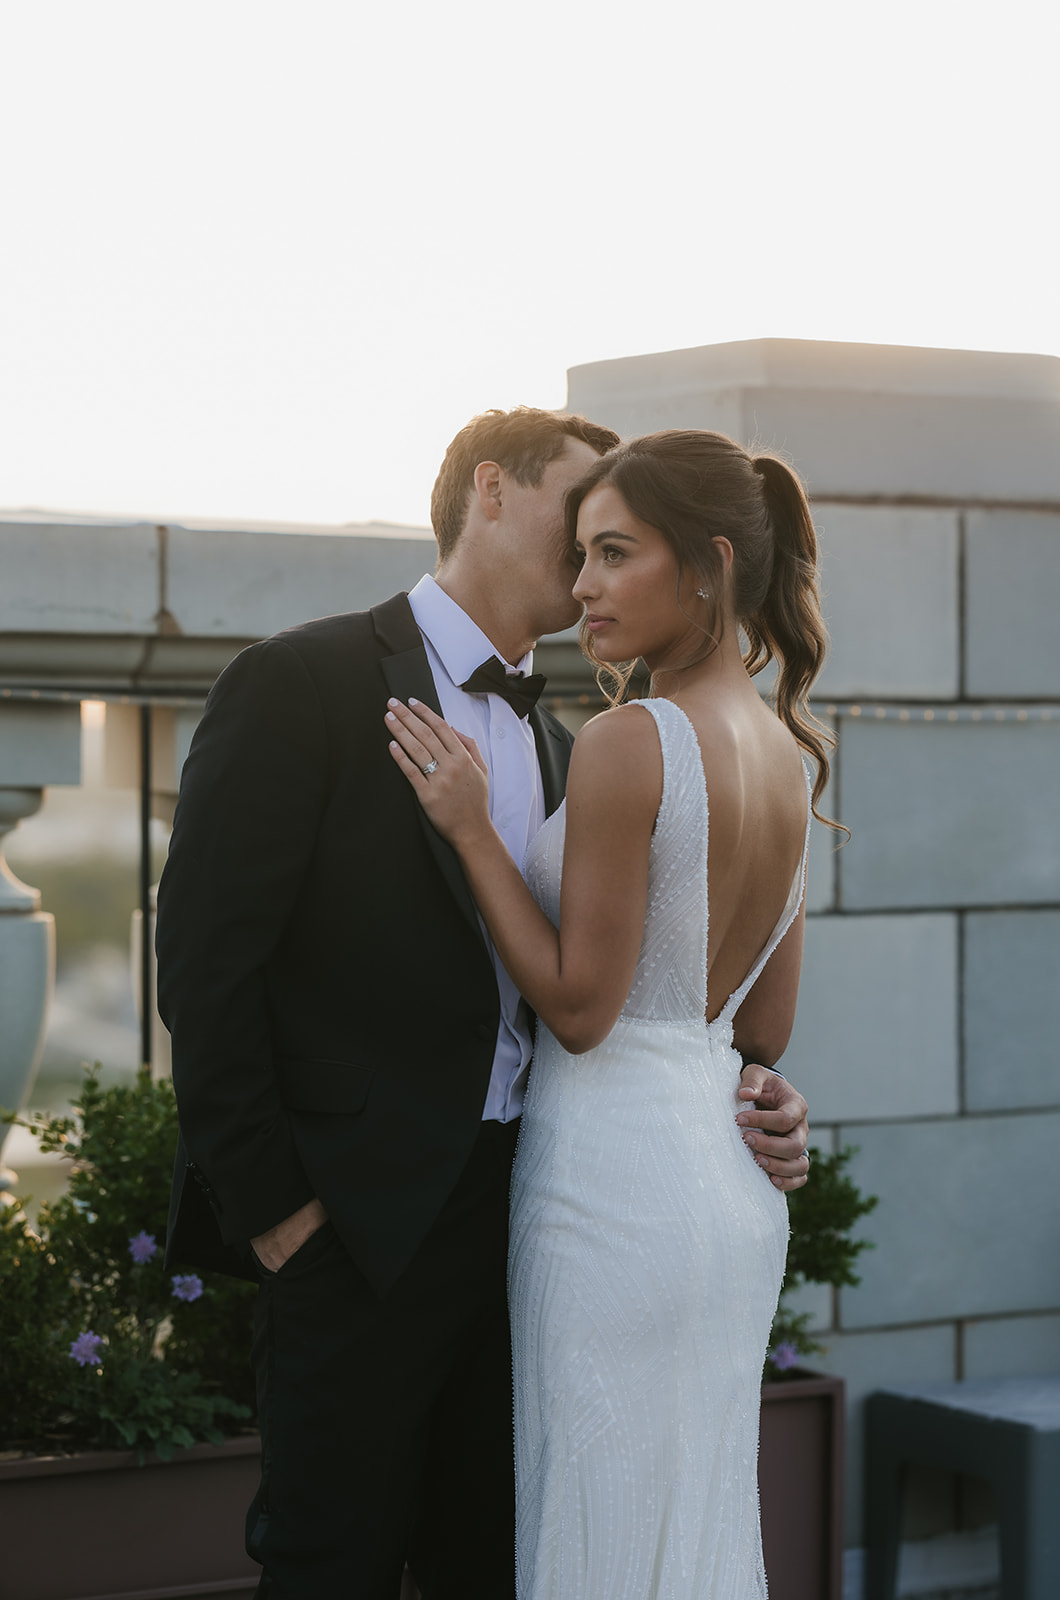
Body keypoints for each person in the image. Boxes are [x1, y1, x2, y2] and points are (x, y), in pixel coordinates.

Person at [155, 409, 812, 1600]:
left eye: (618, 545)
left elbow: (662, 988)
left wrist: (761, 1091)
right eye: (583, 525)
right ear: (494, 492)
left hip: (540, 1215)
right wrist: (277, 1215)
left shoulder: (581, 739)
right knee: (327, 1565)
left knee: (505, 1560)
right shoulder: (298, 682)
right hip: (353, 1234)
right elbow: (202, 963)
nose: (588, 567)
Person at [385, 427, 837, 1600]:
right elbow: (765, 1029)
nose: (580, 587)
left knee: (592, 1529)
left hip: (607, 1195)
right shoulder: (789, 758)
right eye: (579, 554)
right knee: (685, 1529)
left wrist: (474, 829)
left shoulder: (632, 741)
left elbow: (582, 1010)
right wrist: (763, 1094)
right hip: (725, 1196)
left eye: (613, 554)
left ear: (707, 566)